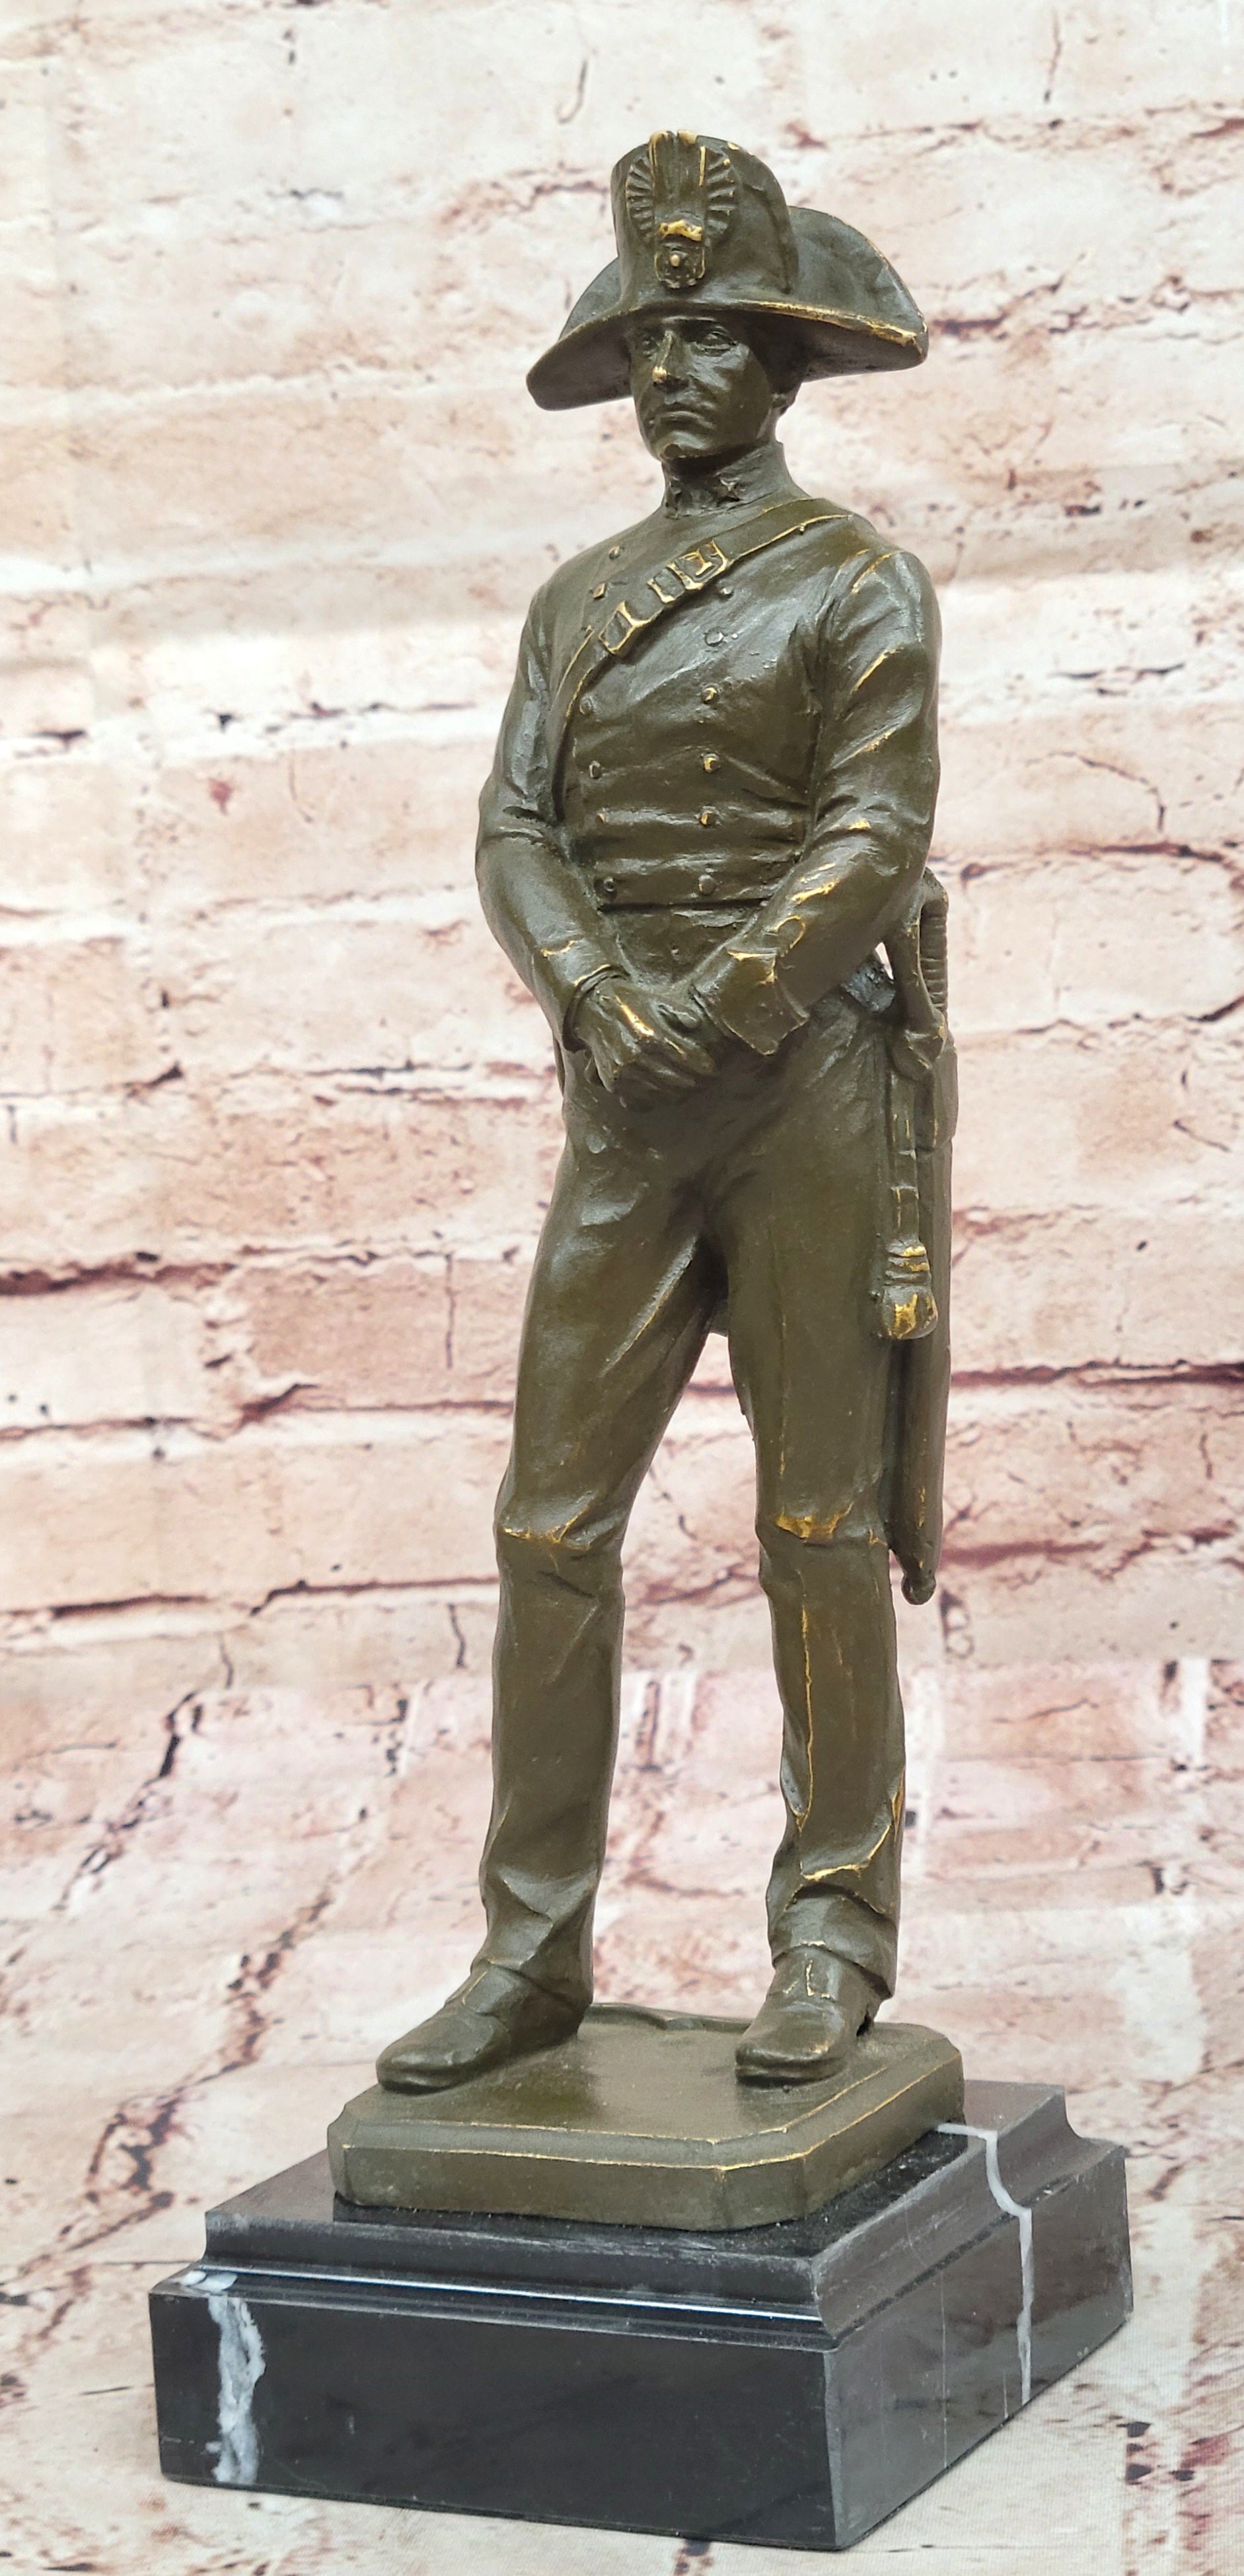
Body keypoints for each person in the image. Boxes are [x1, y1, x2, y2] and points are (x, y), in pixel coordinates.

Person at [379, 130, 949, 2092]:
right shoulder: (578, 601)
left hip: (804, 1088)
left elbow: (875, 828)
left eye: (714, 337)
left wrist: (721, 1001)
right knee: (549, 1518)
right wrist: (603, 998)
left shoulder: (854, 580)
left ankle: (832, 1935)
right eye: (652, 339)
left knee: (816, 1522)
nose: (678, 371)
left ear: (785, 362)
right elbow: (511, 825)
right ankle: (530, 1951)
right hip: (629, 1099)